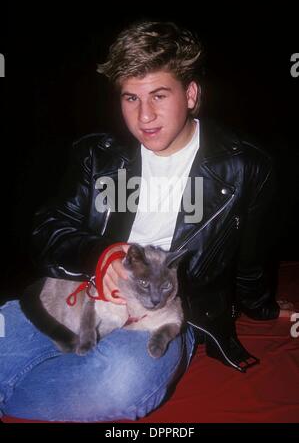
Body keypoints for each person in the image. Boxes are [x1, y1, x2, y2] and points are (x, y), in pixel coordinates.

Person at [0, 21, 293, 422]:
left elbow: (252, 259)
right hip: (81, 292)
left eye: (159, 95)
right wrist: (97, 259)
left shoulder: (246, 166)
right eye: (131, 98)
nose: (145, 116)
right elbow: (48, 228)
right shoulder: (98, 155)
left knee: (119, 384)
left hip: (163, 309)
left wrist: (261, 308)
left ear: (191, 94)